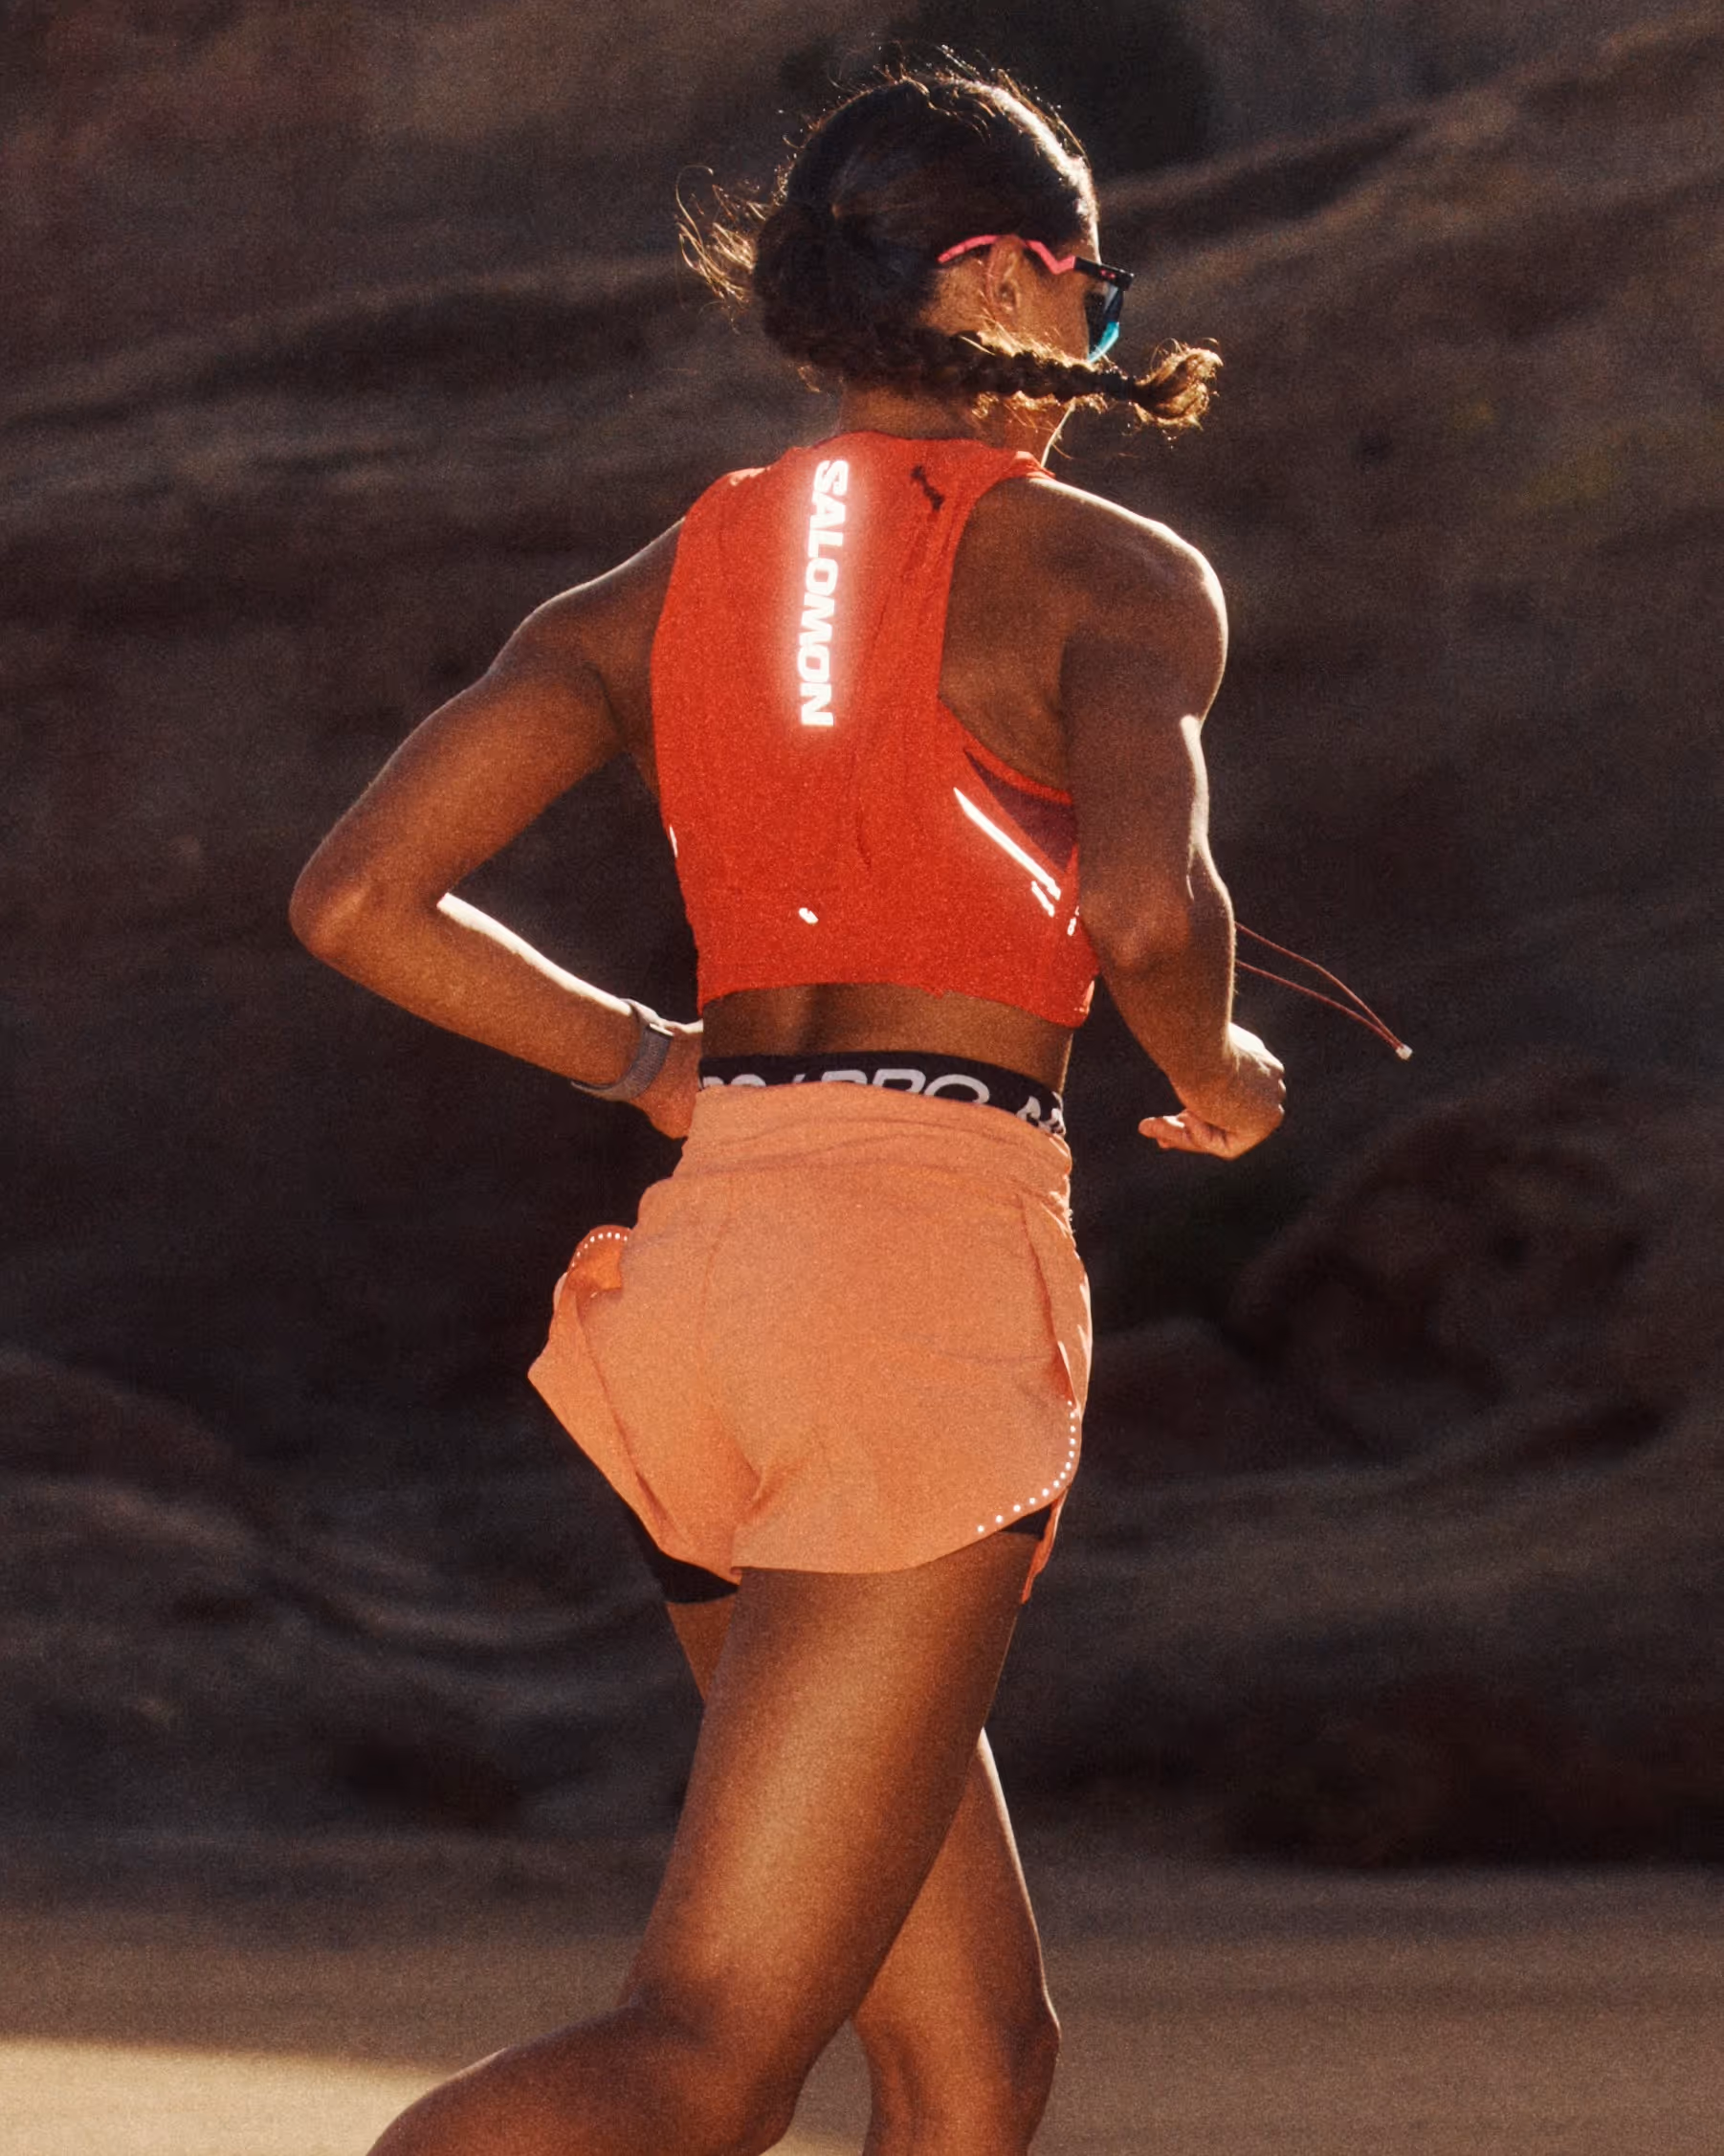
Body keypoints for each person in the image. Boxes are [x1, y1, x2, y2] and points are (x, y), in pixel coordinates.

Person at [290, 59, 1284, 2156]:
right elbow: (1141, 910)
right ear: (1001, 277)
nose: (1098, 336)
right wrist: (1223, 1077)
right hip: (904, 1291)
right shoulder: (1112, 573)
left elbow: (359, 900)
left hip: (710, 1278)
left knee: (973, 2056)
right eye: (1093, 295)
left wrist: (650, 1061)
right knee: (711, 2050)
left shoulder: (651, 586)